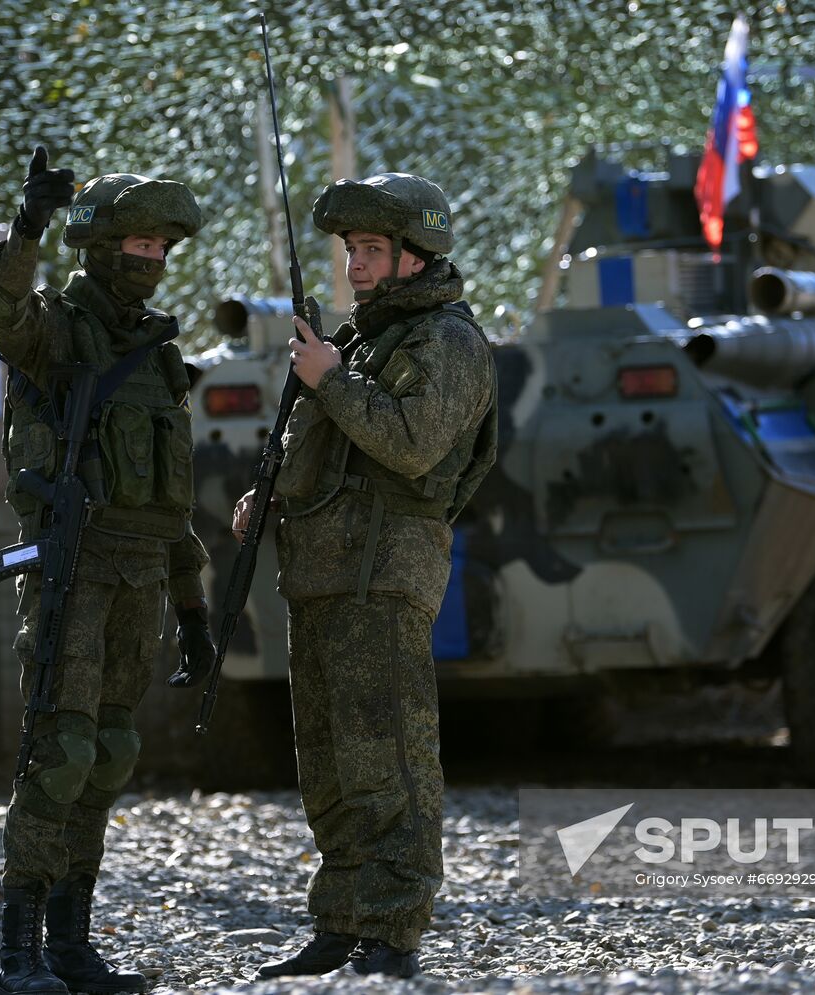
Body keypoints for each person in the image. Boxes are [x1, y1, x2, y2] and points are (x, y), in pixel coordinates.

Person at [231, 173, 497, 980]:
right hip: (321, 573)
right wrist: (267, 493)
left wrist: (330, 380)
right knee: (329, 758)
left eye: (373, 250)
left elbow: (412, 442)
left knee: (390, 755)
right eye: (351, 250)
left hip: (385, 573)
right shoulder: (356, 343)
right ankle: (339, 921)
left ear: (417, 256)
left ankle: (392, 928)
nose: (356, 265)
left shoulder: (448, 342)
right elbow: (326, 452)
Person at [0, 146, 218, 995]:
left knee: (110, 749)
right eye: (138, 245)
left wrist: (192, 609)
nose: (150, 261)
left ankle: (72, 943)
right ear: (100, 246)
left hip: (140, 574)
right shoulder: (61, 330)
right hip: (74, 570)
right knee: (63, 749)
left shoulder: (155, 352)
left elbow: (172, 501)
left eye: (161, 248)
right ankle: (19, 948)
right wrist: (27, 224)